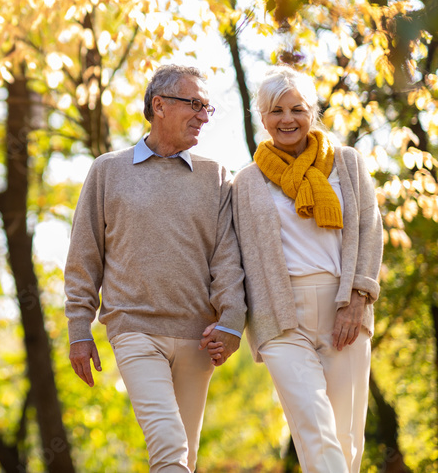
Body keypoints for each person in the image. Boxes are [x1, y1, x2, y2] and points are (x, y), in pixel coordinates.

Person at [65, 64, 247, 472]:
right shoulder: (108, 170)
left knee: (185, 457)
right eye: (194, 104)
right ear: (159, 105)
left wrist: (232, 321)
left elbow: (227, 258)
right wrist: (79, 329)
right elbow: (83, 257)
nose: (203, 116)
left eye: (207, 107)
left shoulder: (214, 176)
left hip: (200, 337)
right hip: (135, 329)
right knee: (168, 443)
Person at [232, 66, 382, 472]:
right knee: (314, 426)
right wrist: (227, 318)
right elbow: (231, 258)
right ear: (262, 119)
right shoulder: (246, 182)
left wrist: (357, 299)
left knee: (347, 439)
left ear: (311, 113)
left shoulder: (347, 163)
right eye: (276, 110)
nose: (287, 119)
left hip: (343, 307)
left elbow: (370, 230)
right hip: (279, 316)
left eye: (296, 109)